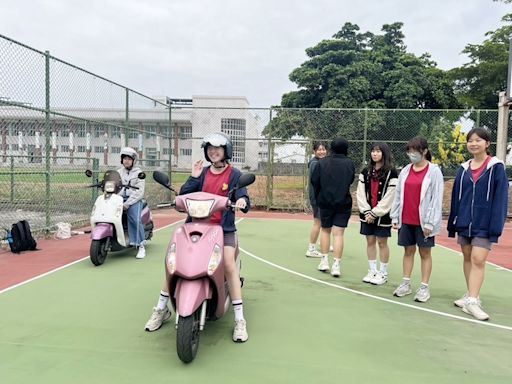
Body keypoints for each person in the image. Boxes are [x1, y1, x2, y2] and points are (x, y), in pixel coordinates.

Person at [144, 132, 251, 342]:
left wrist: (242, 202)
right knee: (173, 264)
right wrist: (193, 177)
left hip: (223, 229)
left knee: (228, 264)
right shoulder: (201, 172)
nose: (213, 152)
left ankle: (239, 319)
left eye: (217, 149)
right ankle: (161, 308)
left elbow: (243, 195)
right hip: (194, 227)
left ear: (226, 151)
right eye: (210, 149)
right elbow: (183, 195)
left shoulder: (234, 175)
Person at [447, 127, 508, 321]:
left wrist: (495, 225)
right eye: (470, 140)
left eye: (478, 140)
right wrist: (453, 222)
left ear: (487, 144)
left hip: (484, 223)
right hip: (465, 222)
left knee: (478, 259)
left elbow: (501, 198)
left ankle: (473, 301)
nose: (473, 144)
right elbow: (457, 197)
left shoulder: (496, 167)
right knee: (467, 257)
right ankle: (471, 294)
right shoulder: (463, 169)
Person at [390, 137, 443, 302]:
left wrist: (430, 222)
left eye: (415, 151)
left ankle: (424, 287)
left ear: (425, 151)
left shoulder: (434, 171)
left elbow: (436, 198)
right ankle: (405, 283)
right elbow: (398, 194)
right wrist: (395, 215)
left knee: (425, 253)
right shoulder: (406, 170)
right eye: (409, 151)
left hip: (424, 222)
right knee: (408, 251)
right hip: (406, 219)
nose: (412, 154)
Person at [311, 137, 355, 277]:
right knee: (339, 234)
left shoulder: (322, 163)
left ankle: (324, 261)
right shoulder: (349, 163)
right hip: (343, 202)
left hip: (325, 201)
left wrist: (320, 196)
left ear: (331, 148)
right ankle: (336, 265)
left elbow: (314, 181)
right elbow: (350, 180)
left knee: (325, 231)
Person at [356, 142, 398, 285]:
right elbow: (360, 194)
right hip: (366, 214)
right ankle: (372, 270)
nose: (375, 154)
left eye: (378, 151)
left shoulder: (392, 172)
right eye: (373, 151)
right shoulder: (365, 172)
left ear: (384, 153)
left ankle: (383, 273)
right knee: (370, 241)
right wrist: (367, 211)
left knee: (382, 242)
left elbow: (390, 196)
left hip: (382, 215)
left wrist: (375, 213)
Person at [117, 147, 146, 259]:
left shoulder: (139, 173)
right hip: (119, 199)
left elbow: (139, 192)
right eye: (124, 158)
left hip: (133, 200)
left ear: (134, 160)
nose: (126, 161)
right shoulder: (119, 172)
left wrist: (127, 204)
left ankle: (141, 246)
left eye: (129, 158)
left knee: (134, 218)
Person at [306, 141, 328, 257]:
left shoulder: (320, 162)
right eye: (319, 150)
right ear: (314, 151)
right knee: (317, 223)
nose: (321, 151)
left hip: (320, 198)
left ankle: (323, 242)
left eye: (323, 149)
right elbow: (316, 183)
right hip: (317, 198)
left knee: (323, 222)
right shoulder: (315, 164)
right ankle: (311, 248)